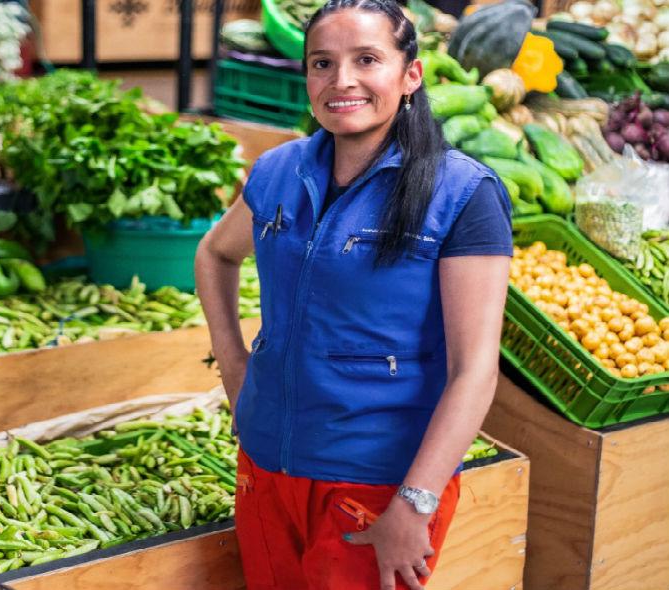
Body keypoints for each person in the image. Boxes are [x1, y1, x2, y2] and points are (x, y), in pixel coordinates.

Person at [193, 0, 513, 588]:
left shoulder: (463, 194)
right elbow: (215, 254)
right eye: (322, 63)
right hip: (267, 468)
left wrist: (415, 502)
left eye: (367, 59)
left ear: (410, 74)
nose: (342, 81)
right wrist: (234, 367)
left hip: (376, 481)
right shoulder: (278, 170)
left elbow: (475, 371)